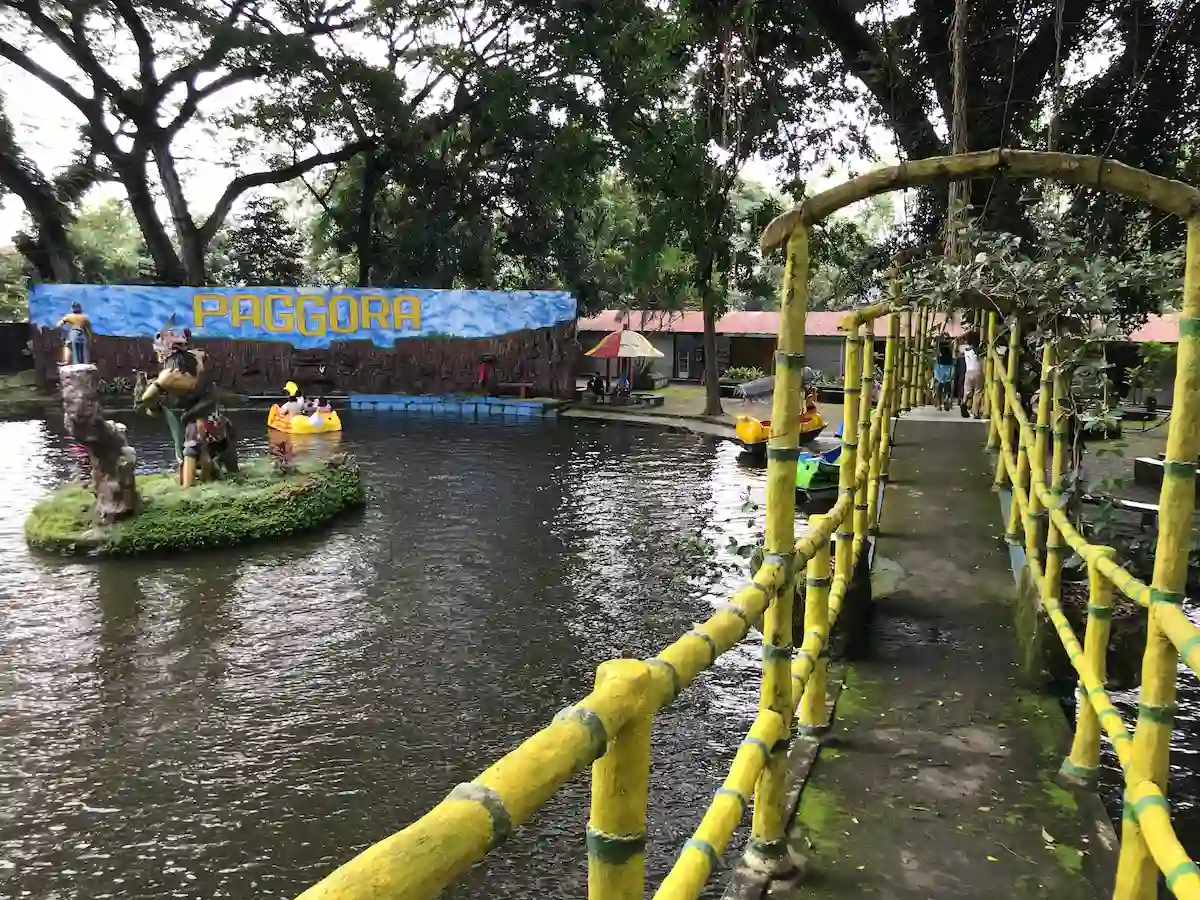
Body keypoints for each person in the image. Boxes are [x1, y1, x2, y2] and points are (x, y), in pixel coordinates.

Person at [960, 332, 984, 419]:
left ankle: (963, 403)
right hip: (977, 372)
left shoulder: (966, 350)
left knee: (967, 391)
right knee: (978, 392)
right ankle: (975, 412)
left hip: (968, 372)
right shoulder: (978, 350)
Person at [933, 338, 954, 411]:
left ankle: (939, 404)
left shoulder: (938, 356)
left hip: (940, 367)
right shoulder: (950, 358)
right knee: (946, 387)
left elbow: (935, 350)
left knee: (938, 387)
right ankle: (946, 400)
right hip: (947, 367)